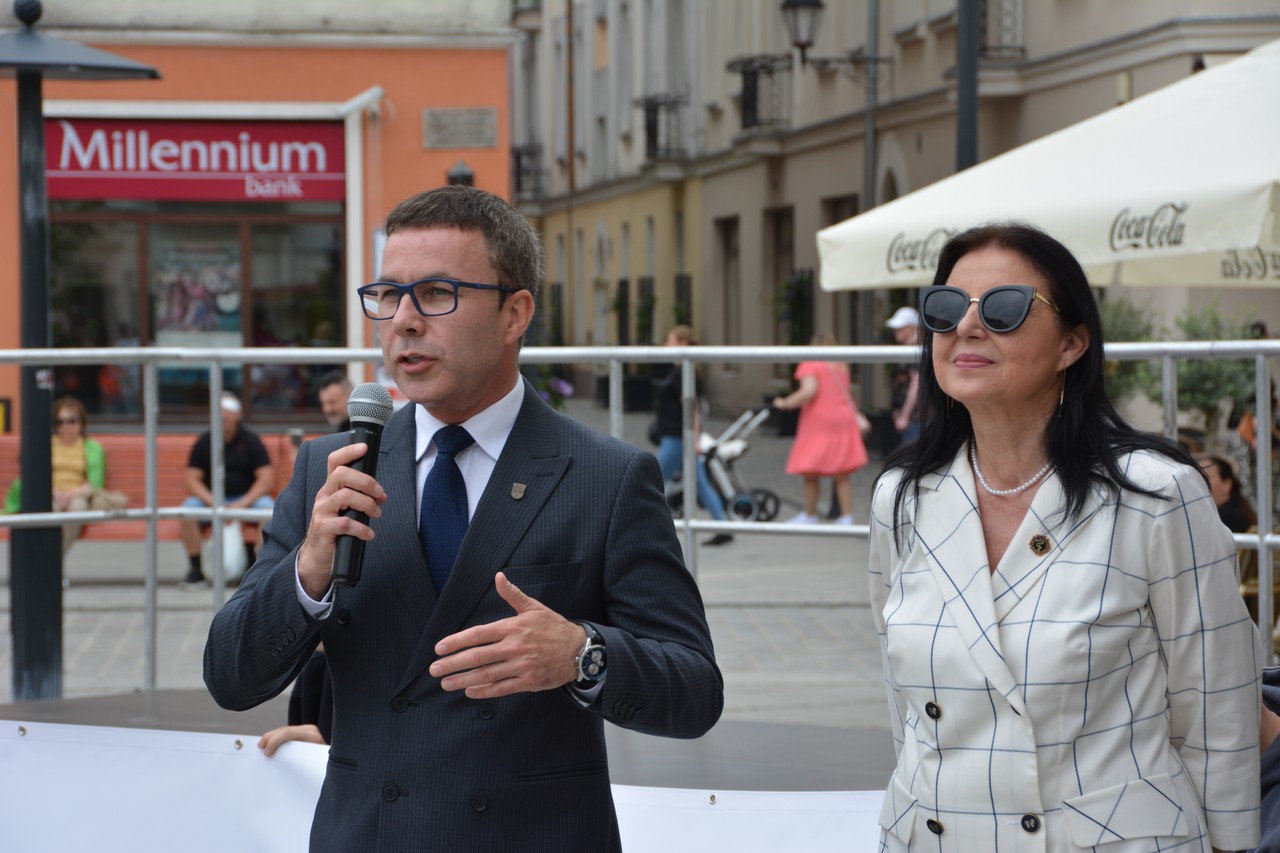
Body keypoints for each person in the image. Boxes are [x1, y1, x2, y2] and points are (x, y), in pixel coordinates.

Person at [204, 185, 723, 851]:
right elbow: (230, 677)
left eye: (436, 293)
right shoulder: (330, 469)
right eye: (388, 295)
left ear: (515, 314)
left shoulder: (606, 476)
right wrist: (307, 574)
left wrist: (580, 654)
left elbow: (693, 690)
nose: (403, 321)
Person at [868, 223, 1262, 851]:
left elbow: (1217, 704)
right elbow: (906, 710)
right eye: (944, 307)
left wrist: (1231, 844)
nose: (966, 326)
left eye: (1003, 308)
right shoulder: (902, 497)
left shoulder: (1156, 495)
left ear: (1072, 343)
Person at [3, 396, 124, 556]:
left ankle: (55, 558)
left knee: (78, 508)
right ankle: (51, 560)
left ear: (82, 422)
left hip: (78, 494)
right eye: (61, 421)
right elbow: (36, 475)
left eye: (72, 421)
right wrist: (54, 492)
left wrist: (70, 495)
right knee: (49, 507)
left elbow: (95, 483)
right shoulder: (46, 445)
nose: (66, 426)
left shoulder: (93, 448)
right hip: (50, 492)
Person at [178, 392, 276, 590]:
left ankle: (257, 569)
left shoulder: (251, 440)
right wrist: (213, 501)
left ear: (238, 414)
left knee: (268, 509)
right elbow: (191, 479)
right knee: (187, 510)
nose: (224, 416)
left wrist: (242, 504)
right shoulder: (204, 441)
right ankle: (196, 571)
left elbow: (266, 478)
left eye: (229, 411)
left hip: (246, 499)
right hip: (211, 500)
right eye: (220, 411)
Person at [771, 331, 868, 524]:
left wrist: (786, 403)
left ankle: (809, 514)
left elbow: (809, 391)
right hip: (843, 419)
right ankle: (846, 517)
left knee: (810, 471)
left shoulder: (811, 363)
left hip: (819, 422)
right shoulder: (841, 364)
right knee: (842, 473)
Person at [653, 324, 734, 546]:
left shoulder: (683, 371)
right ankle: (723, 526)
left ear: (683, 343)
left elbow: (692, 407)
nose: (666, 345)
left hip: (677, 437)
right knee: (699, 483)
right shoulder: (683, 370)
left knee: (652, 481)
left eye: (670, 340)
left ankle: (643, 529)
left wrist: (694, 437)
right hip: (678, 436)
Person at [886, 306, 921, 444]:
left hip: (916, 420)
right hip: (912, 419)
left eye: (900, 327)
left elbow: (917, 383)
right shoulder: (910, 349)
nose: (895, 331)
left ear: (911, 327)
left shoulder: (916, 350)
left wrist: (905, 415)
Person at [1198, 453, 1257, 533]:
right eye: (1197, 478)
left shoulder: (1227, 518)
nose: (1200, 482)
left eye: (1207, 477)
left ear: (1227, 484)